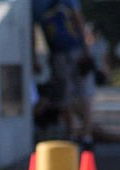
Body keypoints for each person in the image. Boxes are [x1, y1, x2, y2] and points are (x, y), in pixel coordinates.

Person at [37, 0, 94, 146]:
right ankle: (72, 132)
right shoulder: (35, 4)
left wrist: (86, 50)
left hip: (74, 50)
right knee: (64, 94)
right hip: (57, 53)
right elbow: (33, 30)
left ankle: (85, 134)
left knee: (82, 93)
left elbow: (78, 21)